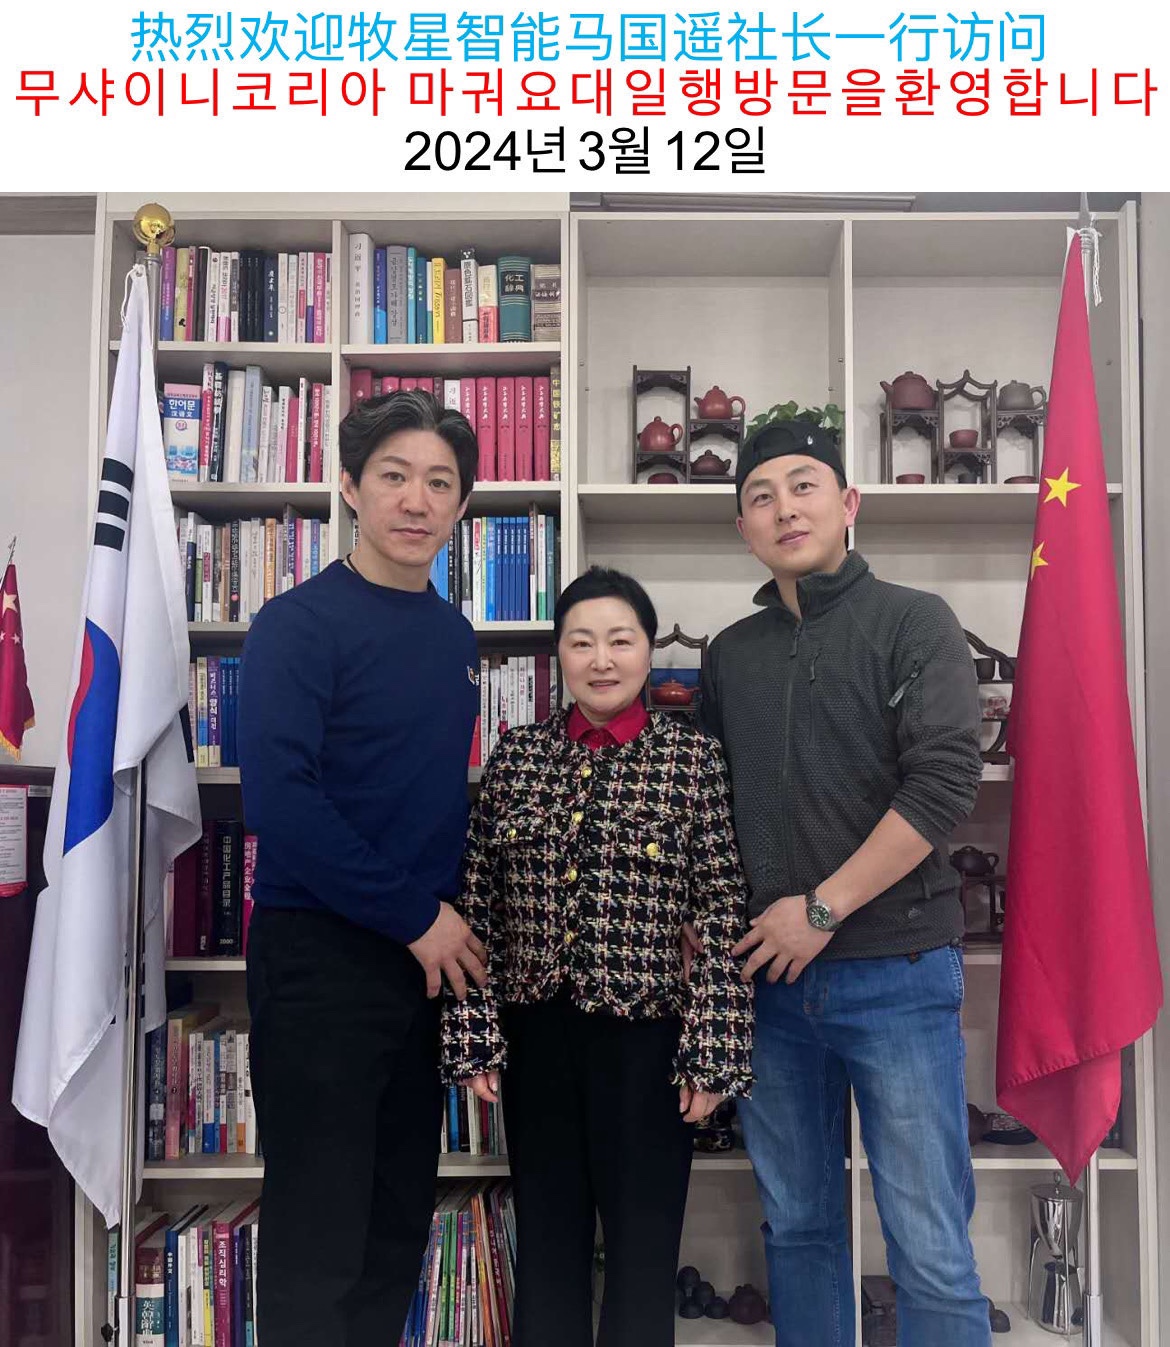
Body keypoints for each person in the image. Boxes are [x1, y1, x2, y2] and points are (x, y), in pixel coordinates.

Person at [696, 421, 990, 1347]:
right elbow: (707, 802)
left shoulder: (915, 621)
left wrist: (822, 909)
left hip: (898, 971)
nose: (785, 508)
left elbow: (945, 783)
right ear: (743, 528)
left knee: (929, 1241)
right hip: (771, 987)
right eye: (761, 496)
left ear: (849, 503)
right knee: (798, 1226)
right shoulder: (730, 654)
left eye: (805, 485)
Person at [441, 566, 754, 1347]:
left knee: (643, 1255)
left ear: (649, 650)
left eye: (621, 640)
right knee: (549, 1247)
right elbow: (479, 906)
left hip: (649, 1043)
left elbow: (721, 910)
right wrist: (473, 1033)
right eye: (582, 642)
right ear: (560, 655)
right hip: (537, 1038)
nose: (602, 659)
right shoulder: (517, 758)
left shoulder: (692, 760)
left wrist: (713, 1051)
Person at [238, 390, 489, 1346]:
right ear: (350, 486)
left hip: (418, 968)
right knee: (319, 1236)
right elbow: (283, 806)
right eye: (394, 476)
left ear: (461, 504)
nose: (417, 500)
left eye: (440, 482)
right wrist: (418, 918)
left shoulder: (454, 637)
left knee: (395, 1224)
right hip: (321, 958)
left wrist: (434, 929)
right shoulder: (296, 624)